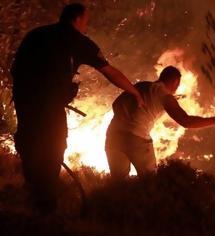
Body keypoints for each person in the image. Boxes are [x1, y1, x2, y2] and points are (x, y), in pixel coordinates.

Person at [11, 3, 144, 214]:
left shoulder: (36, 35)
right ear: (78, 19)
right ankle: (45, 207)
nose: (86, 26)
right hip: (49, 106)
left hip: (24, 102)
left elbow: (16, 68)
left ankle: (33, 199)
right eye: (86, 21)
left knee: (30, 146)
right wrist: (134, 92)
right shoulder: (77, 41)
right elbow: (110, 71)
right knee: (53, 149)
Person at [106, 66, 215, 179]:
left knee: (119, 182)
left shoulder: (141, 85)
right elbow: (186, 122)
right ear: (175, 82)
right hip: (136, 139)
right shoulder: (164, 95)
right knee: (150, 181)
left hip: (113, 136)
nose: (176, 90)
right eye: (177, 85)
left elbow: (116, 104)